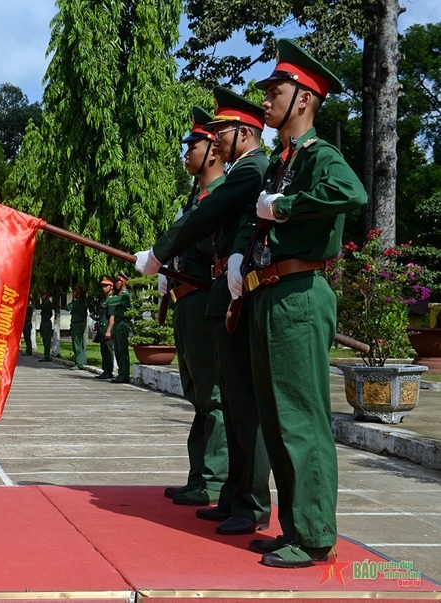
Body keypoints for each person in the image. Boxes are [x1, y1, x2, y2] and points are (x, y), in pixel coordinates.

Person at [229, 39, 367, 568]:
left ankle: (313, 535)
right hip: (268, 293)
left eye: (275, 91)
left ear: (304, 99)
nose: (265, 100)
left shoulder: (320, 157)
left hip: (299, 294)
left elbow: (351, 194)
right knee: (275, 416)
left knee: (300, 418)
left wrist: (287, 205)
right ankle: (295, 528)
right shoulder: (280, 161)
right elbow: (252, 217)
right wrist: (241, 255)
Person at [134, 88, 273, 520]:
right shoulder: (238, 175)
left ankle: (231, 491)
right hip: (209, 296)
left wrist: (159, 255)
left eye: (210, 136)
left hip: (229, 295)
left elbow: (206, 226)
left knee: (231, 401)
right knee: (220, 399)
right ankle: (228, 492)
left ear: (235, 136)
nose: (200, 145)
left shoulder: (251, 172)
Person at [158, 106, 229, 506]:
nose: (186, 153)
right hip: (186, 303)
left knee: (212, 395)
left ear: (214, 151)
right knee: (197, 394)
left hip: (204, 301)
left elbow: (208, 244)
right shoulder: (195, 198)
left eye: (194, 145)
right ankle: (199, 474)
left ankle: (215, 480)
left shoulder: (219, 196)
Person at [108, 273, 132, 384]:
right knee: (117, 350)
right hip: (118, 324)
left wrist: (106, 300)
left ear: (122, 282)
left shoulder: (125, 295)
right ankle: (121, 374)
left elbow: (111, 301)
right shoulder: (120, 294)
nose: (116, 283)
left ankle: (124, 375)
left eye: (117, 281)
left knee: (122, 351)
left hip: (122, 324)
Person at [95, 277, 115, 380]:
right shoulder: (105, 300)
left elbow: (112, 316)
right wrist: (97, 324)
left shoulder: (112, 300)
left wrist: (108, 330)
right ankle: (105, 370)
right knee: (103, 350)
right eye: (102, 286)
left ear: (111, 287)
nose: (103, 288)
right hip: (102, 328)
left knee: (108, 350)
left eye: (106, 285)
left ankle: (108, 371)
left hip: (107, 329)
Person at [65, 285, 88, 370]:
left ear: (78, 293)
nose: (73, 293)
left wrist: (73, 301)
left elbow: (67, 307)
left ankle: (79, 363)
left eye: (74, 292)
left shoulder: (78, 302)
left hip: (77, 324)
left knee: (77, 344)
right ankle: (78, 362)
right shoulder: (81, 302)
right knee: (77, 344)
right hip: (77, 324)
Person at [36, 291, 54, 362]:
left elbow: (38, 307)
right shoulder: (45, 303)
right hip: (44, 323)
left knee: (47, 340)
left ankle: (47, 356)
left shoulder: (47, 304)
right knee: (44, 340)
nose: (42, 297)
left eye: (43, 295)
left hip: (47, 323)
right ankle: (46, 355)